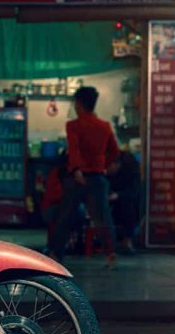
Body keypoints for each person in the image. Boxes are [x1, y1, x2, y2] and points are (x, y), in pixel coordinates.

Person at [54, 86, 120, 264]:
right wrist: (103, 165)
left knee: (66, 216)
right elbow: (114, 151)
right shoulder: (104, 126)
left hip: (78, 177)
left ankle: (56, 255)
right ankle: (111, 253)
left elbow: (73, 149)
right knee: (103, 217)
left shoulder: (73, 126)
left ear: (79, 104)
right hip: (98, 176)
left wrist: (76, 169)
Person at [107, 152, 142, 255]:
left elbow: (134, 192)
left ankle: (127, 240)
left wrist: (118, 195)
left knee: (128, 206)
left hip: (126, 200)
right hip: (111, 198)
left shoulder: (130, 170)